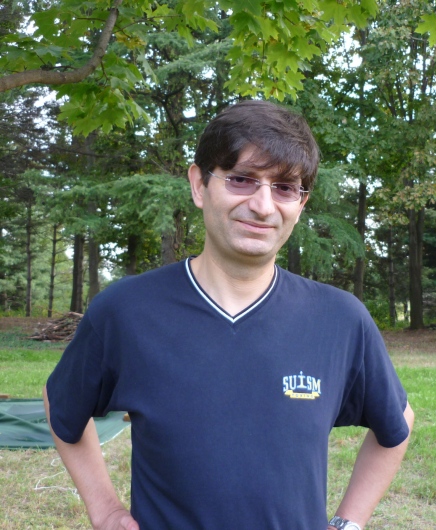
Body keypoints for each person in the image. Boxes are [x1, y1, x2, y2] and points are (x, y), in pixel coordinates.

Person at [44, 100, 414, 530]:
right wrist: (106, 510)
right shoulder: (126, 311)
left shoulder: (340, 320)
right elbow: (61, 402)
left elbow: (397, 422)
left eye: (284, 188)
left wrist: (349, 523)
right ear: (199, 185)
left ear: (301, 204)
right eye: (241, 179)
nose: (263, 205)